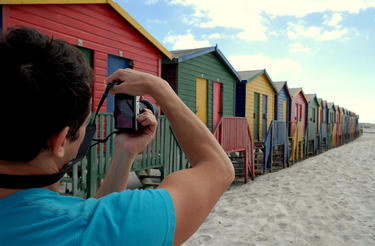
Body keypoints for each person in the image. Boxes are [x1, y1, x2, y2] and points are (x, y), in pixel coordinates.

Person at [0, 27, 234, 246]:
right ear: (60, 140)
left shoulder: (78, 224)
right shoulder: (86, 228)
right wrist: (160, 88)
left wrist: (125, 152)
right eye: (85, 122)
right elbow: (219, 170)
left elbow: (94, 215)